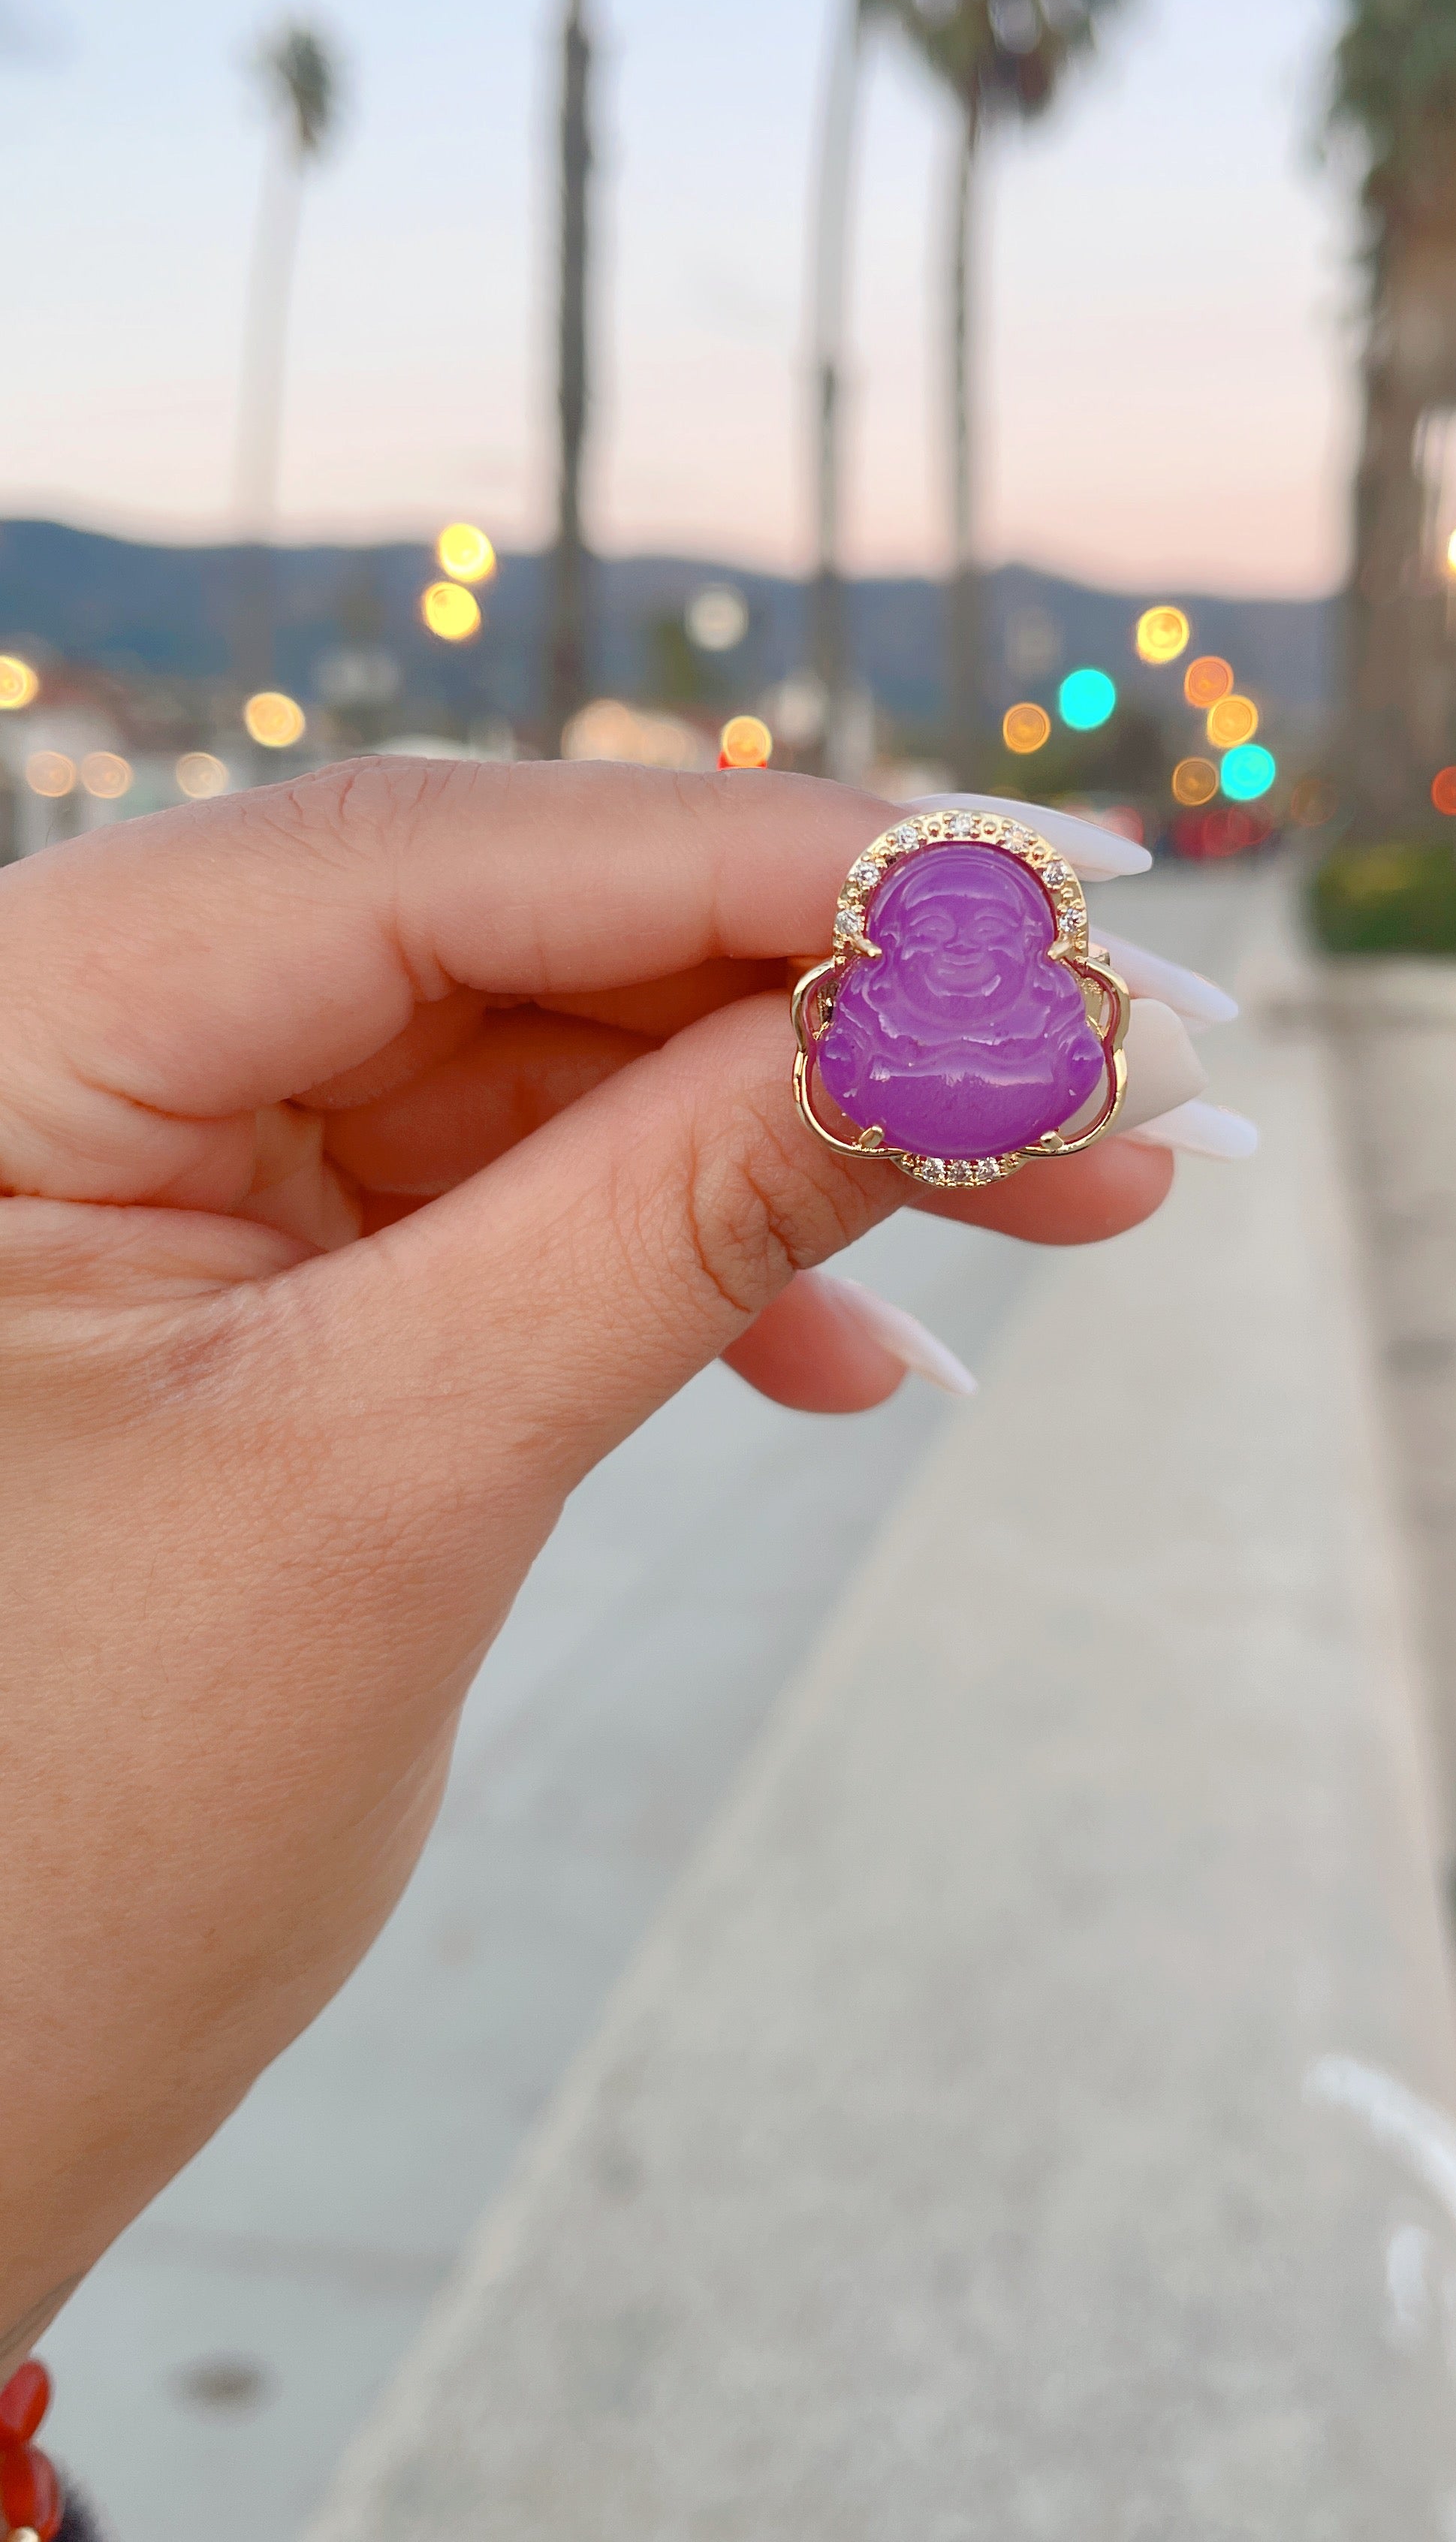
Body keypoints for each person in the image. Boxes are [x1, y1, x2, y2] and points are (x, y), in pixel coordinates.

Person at [0, 758, 1173, 2387]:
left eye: (993, 934)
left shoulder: (990, 1027)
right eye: (946, 934)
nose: (972, 963)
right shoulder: (864, 1039)